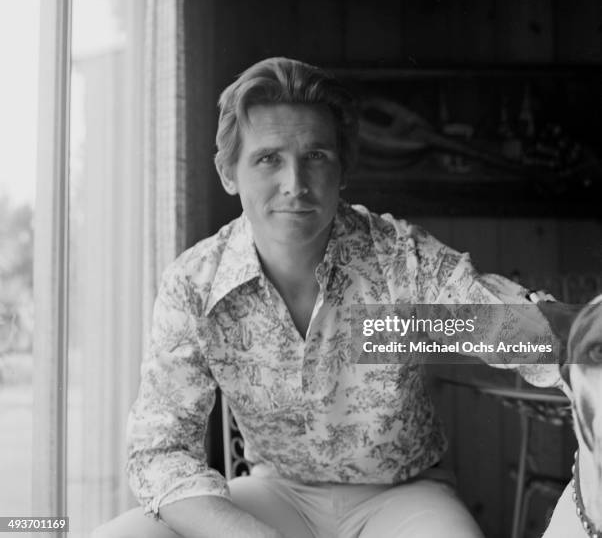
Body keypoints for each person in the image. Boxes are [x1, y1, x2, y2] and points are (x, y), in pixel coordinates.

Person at [93, 57, 563, 538]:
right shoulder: (194, 284)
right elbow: (161, 447)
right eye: (268, 158)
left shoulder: (399, 261)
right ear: (229, 172)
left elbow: (503, 327)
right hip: (278, 494)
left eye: (315, 156)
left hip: (404, 495)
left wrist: (584, 345)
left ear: (342, 171)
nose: (294, 184)